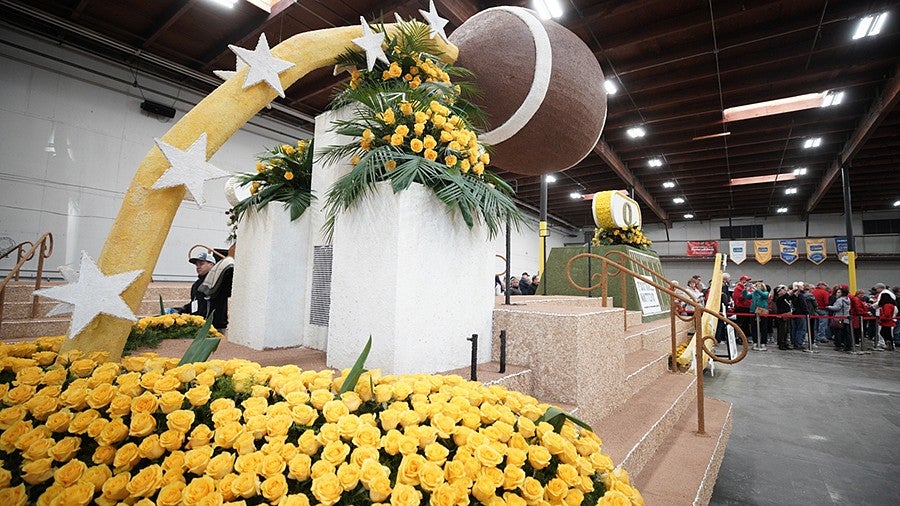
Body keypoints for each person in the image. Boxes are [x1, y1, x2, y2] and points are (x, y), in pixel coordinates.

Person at [175, 250, 233, 331]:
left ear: (212, 264)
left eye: (201, 264)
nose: (198, 267)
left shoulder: (219, 281)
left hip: (216, 327)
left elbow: (230, 285)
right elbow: (194, 303)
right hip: (198, 326)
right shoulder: (196, 285)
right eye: (196, 265)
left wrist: (231, 267)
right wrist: (181, 311)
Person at [826, 287, 852, 352]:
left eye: (839, 292)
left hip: (839, 317)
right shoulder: (848, 299)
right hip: (846, 317)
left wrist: (829, 307)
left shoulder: (840, 300)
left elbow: (837, 307)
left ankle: (838, 345)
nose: (837, 293)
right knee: (846, 333)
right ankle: (848, 346)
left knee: (837, 332)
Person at [746, 281, 770, 350]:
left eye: (758, 286)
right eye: (756, 286)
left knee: (763, 327)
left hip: (763, 311)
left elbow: (764, 295)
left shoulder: (765, 292)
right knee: (753, 327)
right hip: (753, 311)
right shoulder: (753, 294)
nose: (756, 287)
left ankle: (763, 343)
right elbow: (746, 296)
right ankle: (755, 342)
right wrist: (745, 289)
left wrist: (757, 290)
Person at [773, 285, 793, 350]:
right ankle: (781, 343)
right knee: (782, 330)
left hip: (786, 315)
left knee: (786, 330)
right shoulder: (779, 298)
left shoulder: (785, 298)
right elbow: (786, 295)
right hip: (781, 315)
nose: (784, 291)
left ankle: (785, 342)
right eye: (782, 290)